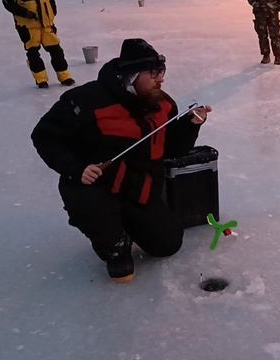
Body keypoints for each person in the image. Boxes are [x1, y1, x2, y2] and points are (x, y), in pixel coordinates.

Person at [31, 39, 212, 283]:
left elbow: (170, 149)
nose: (162, 79)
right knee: (87, 202)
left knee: (167, 245)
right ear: (132, 75)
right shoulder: (85, 101)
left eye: (162, 72)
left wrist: (190, 126)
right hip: (99, 189)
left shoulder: (163, 103)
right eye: (155, 73)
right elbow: (44, 137)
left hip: (140, 190)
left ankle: (131, 221)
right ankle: (115, 246)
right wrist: (76, 169)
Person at [2, 0, 75, 88]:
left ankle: (65, 76)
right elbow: (7, 3)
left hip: (46, 23)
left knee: (56, 50)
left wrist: (52, 10)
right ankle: (41, 80)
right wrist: (24, 13)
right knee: (33, 52)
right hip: (27, 26)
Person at [248, 0, 280, 65]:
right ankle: (266, 56)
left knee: (274, 34)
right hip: (261, 10)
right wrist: (254, 3)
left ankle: (277, 57)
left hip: (272, 9)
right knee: (263, 34)